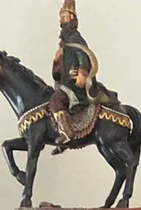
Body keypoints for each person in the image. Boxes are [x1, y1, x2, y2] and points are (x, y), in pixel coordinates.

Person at [48, 3, 114, 148]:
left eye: (65, 16)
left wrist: (82, 74)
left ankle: (67, 133)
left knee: (55, 100)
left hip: (75, 84)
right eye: (61, 17)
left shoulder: (76, 38)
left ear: (72, 19)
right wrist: (56, 62)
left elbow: (83, 56)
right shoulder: (64, 44)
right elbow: (57, 74)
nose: (63, 20)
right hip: (65, 83)